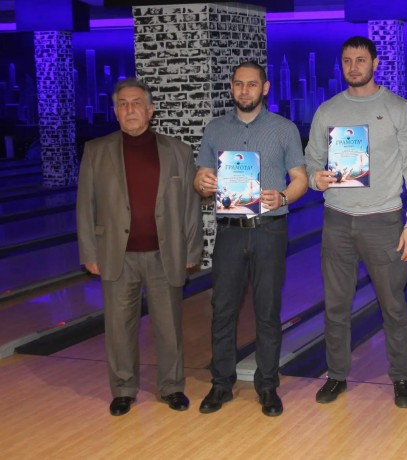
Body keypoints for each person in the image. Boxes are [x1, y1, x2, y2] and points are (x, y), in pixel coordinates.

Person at [305, 36, 407, 408]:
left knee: (393, 306)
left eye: (361, 60)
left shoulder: (398, 109)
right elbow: (312, 160)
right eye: (347, 60)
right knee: (335, 306)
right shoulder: (327, 111)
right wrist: (315, 178)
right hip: (337, 221)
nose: (353, 67)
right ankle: (336, 375)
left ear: (375, 63)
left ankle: (401, 378)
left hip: (384, 222)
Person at [76, 78, 202, 416]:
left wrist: (192, 251)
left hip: (165, 253)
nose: (130, 109)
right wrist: (89, 253)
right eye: (123, 104)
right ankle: (123, 389)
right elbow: (85, 205)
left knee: (169, 325)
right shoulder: (96, 150)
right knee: (119, 327)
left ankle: (172, 386)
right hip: (116, 254)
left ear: (150, 110)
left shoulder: (178, 151)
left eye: (136, 103)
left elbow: (190, 207)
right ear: (115, 112)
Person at [194, 61, 308, 417]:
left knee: (267, 310)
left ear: (265, 88)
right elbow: (201, 178)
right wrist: (203, 183)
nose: (244, 90)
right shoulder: (215, 129)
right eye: (239, 84)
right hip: (229, 231)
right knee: (223, 308)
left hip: (269, 230)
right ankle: (221, 383)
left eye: (252, 84)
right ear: (231, 87)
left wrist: (284, 197)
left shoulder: (284, 129)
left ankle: (268, 385)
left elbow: (300, 178)